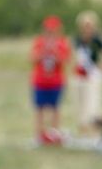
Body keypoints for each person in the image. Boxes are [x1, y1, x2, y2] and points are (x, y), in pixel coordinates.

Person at [30, 15, 71, 145]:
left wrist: (54, 50)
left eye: (53, 30)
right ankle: (39, 133)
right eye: (48, 30)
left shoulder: (63, 42)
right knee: (39, 108)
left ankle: (54, 133)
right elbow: (32, 59)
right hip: (40, 81)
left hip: (55, 81)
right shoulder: (39, 42)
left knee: (55, 108)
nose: (50, 32)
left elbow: (65, 60)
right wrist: (43, 50)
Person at [72, 11, 102, 136]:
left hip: (93, 74)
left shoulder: (97, 39)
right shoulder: (78, 39)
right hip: (80, 73)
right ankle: (82, 126)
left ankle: (94, 126)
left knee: (93, 100)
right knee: (80, 100)